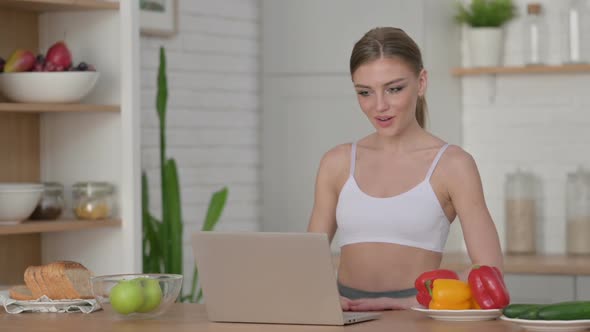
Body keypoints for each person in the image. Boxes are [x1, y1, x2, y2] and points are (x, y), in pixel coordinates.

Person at [307, 27, 503, 312]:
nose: (380, 106)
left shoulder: (453, 165)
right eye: (365, 92)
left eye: (394, 89)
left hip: (419, 315)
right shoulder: (336, 162)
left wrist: (413, 302)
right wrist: (323, 300)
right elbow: (309, 262)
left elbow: (490, 272)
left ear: (421, 82)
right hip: (344, 314)